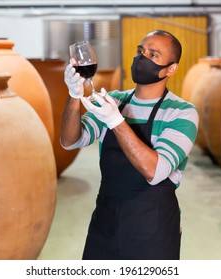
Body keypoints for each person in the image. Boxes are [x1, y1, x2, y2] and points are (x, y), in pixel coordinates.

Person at [60, 30, 199, 260]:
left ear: (171, 68)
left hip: (153, 231)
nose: (142, 58)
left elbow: (154, 171)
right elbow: (70, 140)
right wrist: (74, 96)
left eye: (153, 55)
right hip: (105, 223)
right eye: (140, 51)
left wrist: (116, 121)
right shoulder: (114, 100)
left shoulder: (182, 113)